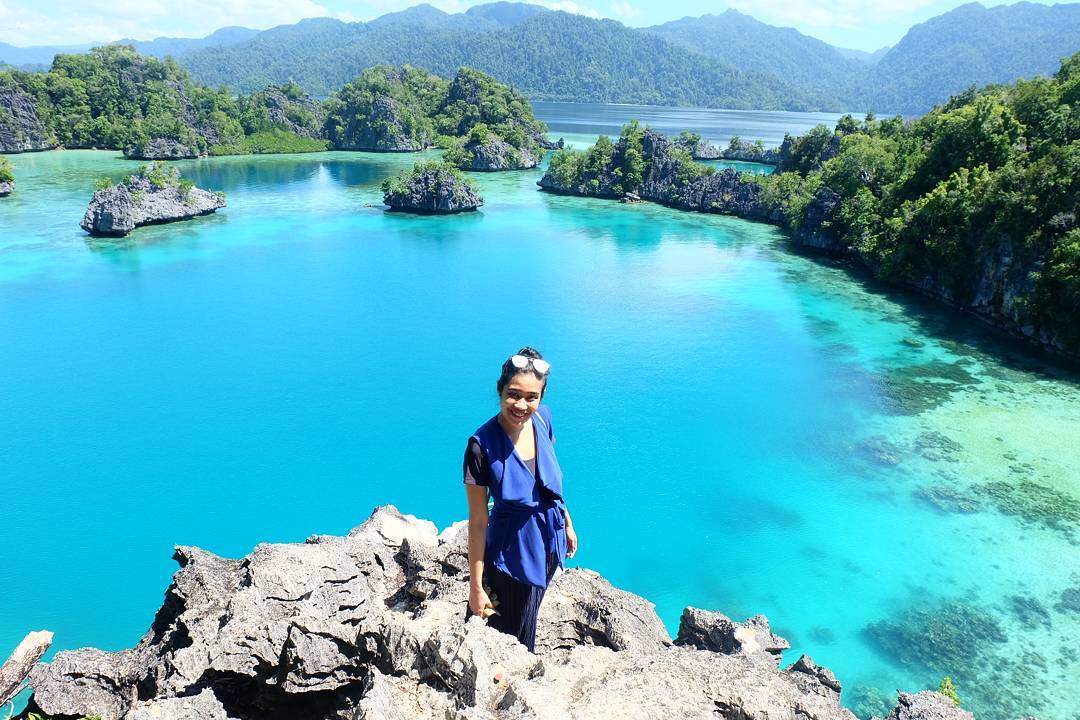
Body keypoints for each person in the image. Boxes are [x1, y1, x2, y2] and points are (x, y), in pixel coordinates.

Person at [463, 347, 578, 652]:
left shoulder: (543, 419)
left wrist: (566, 522)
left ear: (541, 397)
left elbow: (549, 479)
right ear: (500, 390)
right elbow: (477, 522)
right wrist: (475, 587)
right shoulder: (481, 446)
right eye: (513, 394)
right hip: (510, 556)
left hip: (548, 545)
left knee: (528, 619)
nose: (522, 405)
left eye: (532, 397)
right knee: (498, 635)